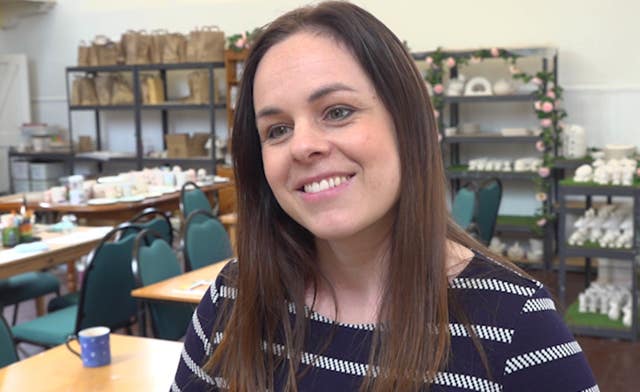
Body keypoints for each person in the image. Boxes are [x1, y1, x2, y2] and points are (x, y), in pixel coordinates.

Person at [173, 2, 597, 391]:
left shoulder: (516, 325)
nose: (303, 146)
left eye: (337, 111)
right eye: (277, 129)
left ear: (409, 125)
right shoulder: (232, 300)